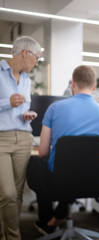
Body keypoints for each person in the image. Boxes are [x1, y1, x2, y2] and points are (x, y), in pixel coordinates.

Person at [27, 65, 99, 235]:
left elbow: (42, 152)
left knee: (36, 162)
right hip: (92, 179)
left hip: (59, 178)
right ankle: (54, 219)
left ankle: (46, 221)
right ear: (94, 87)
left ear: (73, 83)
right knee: (78, 169)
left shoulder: (55, 108)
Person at [0, 36, 41, 240]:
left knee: (16, 195)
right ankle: (12, 236)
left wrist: (28, 115)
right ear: (25, 53)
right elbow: (10, 104)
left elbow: (23, 106)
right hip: (2, 139)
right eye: (36, 58)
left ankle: (7, 235)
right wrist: (7, 103)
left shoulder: (26, 80)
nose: (36, 62)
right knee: (6, 194)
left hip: (23, 137)